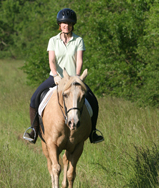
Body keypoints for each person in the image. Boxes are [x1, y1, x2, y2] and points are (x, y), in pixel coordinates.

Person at [24, 8, 104, 144]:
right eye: (63, 23)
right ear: (59, 25)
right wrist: (55, 75)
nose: (66, 26)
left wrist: (77, 77)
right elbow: (51, 60)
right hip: (56, 78)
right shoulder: (53, 40)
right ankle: (34, 131)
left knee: (93, 101)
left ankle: (93, 133)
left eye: (69, 23)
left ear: (72, 25)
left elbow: (79, 60)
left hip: (73, 79)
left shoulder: (78, 40)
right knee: (34, 99)